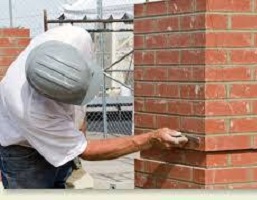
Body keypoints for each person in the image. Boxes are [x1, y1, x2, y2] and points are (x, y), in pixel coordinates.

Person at [0, 25, 188, 189]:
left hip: (54, 131)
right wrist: (150, 140)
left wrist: (78, 135)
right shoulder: (29, 110)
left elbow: (78, 109)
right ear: (50, 97)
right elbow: (87, 150)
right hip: (24, 153)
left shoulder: (75, 37)